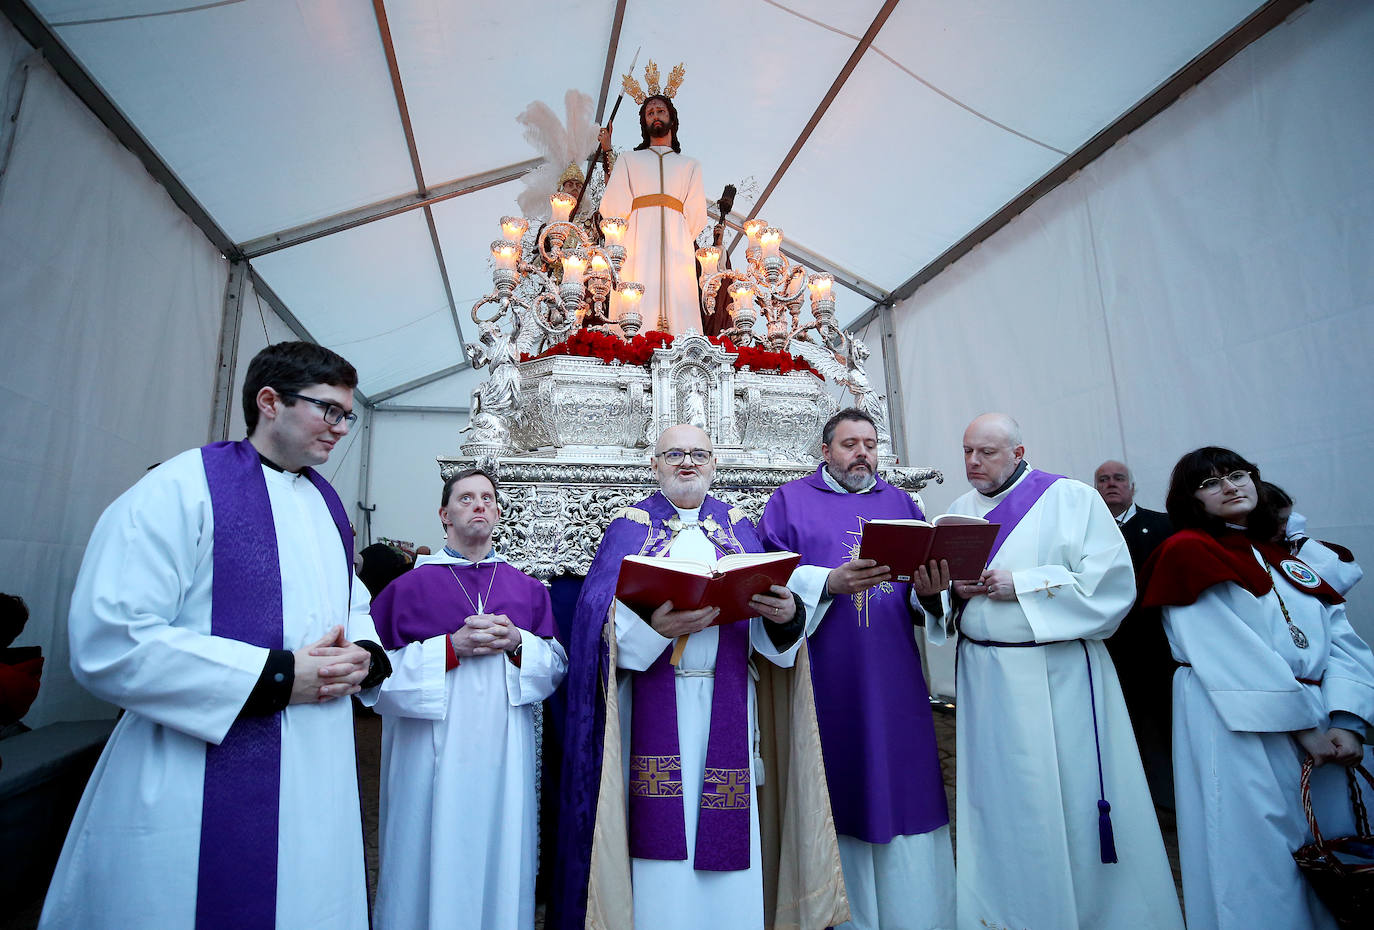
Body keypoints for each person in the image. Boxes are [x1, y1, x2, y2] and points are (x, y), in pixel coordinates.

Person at [40, 342, 390, 930]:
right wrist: (275, 676)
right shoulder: (180, 489)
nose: (341, 428)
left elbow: (347, 599)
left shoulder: (327, 503)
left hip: (315, 766)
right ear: (269, 402)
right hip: (197, 768)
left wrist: (365, 654)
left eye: (346, 414)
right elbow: (112, 638)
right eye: (328, 410)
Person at [551, 424, 847, 930]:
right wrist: (651, 629)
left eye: (698, 454)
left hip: (729, 699)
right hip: (652, 705)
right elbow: (594, 621)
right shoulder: (630, 526)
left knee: (730, 833)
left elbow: (769, 636)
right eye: (674, 455)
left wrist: (782, 616)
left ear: (714, 464)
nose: (686, 463)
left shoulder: (738, 528)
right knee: (657, 838)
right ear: (654, 464)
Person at [913, 413, 1181, 930]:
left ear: (1017, 452)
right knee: (997, 798)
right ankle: (1003, 907)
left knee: (1064, 794)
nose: (972, 462)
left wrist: (1025, 584)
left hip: (1055, 673)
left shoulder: (1070, 498)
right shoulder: (958, 512)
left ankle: (1085, 910)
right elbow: (945, 600)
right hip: (984, 674)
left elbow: (1112, 585)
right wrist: (940, 592)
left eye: (985, 452)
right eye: (967, 451)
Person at [1140, 449, 1374, 930]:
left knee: (1334, 847)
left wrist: (1347, 721)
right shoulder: (1186, 551)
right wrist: (1306, 727)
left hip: (1323, 718)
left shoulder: (1282, 557)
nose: (1229, 486)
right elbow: (1225, 650)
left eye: (1237, 475)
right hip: (1237, 721)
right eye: (1210, 483)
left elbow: (1341, 641)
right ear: (1190, 501)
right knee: (1257, 850)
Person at [756, 409, 954, 930]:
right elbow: (768, 575)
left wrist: (932, 596)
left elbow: (918, 591)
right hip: (826, 672)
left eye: (869, 443)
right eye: (849, 444)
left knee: (901, 778)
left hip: (894, 674)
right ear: (825, 451)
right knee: (836, 782)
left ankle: (915, 912)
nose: (862, 453)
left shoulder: (901, 503)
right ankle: (839, 914)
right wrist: (826, 583)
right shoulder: (788, 502)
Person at [366, 468, 567, 929]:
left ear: (498, 512)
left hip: (504, 752)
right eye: (465, 498)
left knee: (501, 849)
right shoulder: (405, 589)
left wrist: (520, 642)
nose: (479, 505)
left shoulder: (528, 589)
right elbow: (374, 680)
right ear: (444, 515)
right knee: (425, 847)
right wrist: (449, 649)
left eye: (488, 498)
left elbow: (556, 668)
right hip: (428, 752)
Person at [1095, 458, 1176, 806]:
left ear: (1132, 487)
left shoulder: (1164, 527)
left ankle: (1171, 799)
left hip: (1157, 649)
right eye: (1102, 480)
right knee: (1117, 728)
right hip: (1108, 649)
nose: (1111, 484)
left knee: (1164, 728)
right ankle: (1128, 802)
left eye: (1118, 478)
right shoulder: (1086, 531)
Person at [599, 94, 707, 335]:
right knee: (635, 297)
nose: (656, 116)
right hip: (636, 243)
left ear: (672, 119)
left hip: (677, 248)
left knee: (680, 299)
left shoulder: (689, 165)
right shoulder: (629, 160)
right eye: (650, 113)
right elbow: (613, 208)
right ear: (644, 123)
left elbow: (697, 217)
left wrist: (675, 235)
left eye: (660, 111)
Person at [1266, 481, 1364, 596]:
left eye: (1289, 518)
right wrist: (1298, 538)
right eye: (1282, 520)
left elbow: (1351, 573)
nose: (1287, 527)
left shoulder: (1288, 545)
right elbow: (1333, 585)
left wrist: (1299, 541)